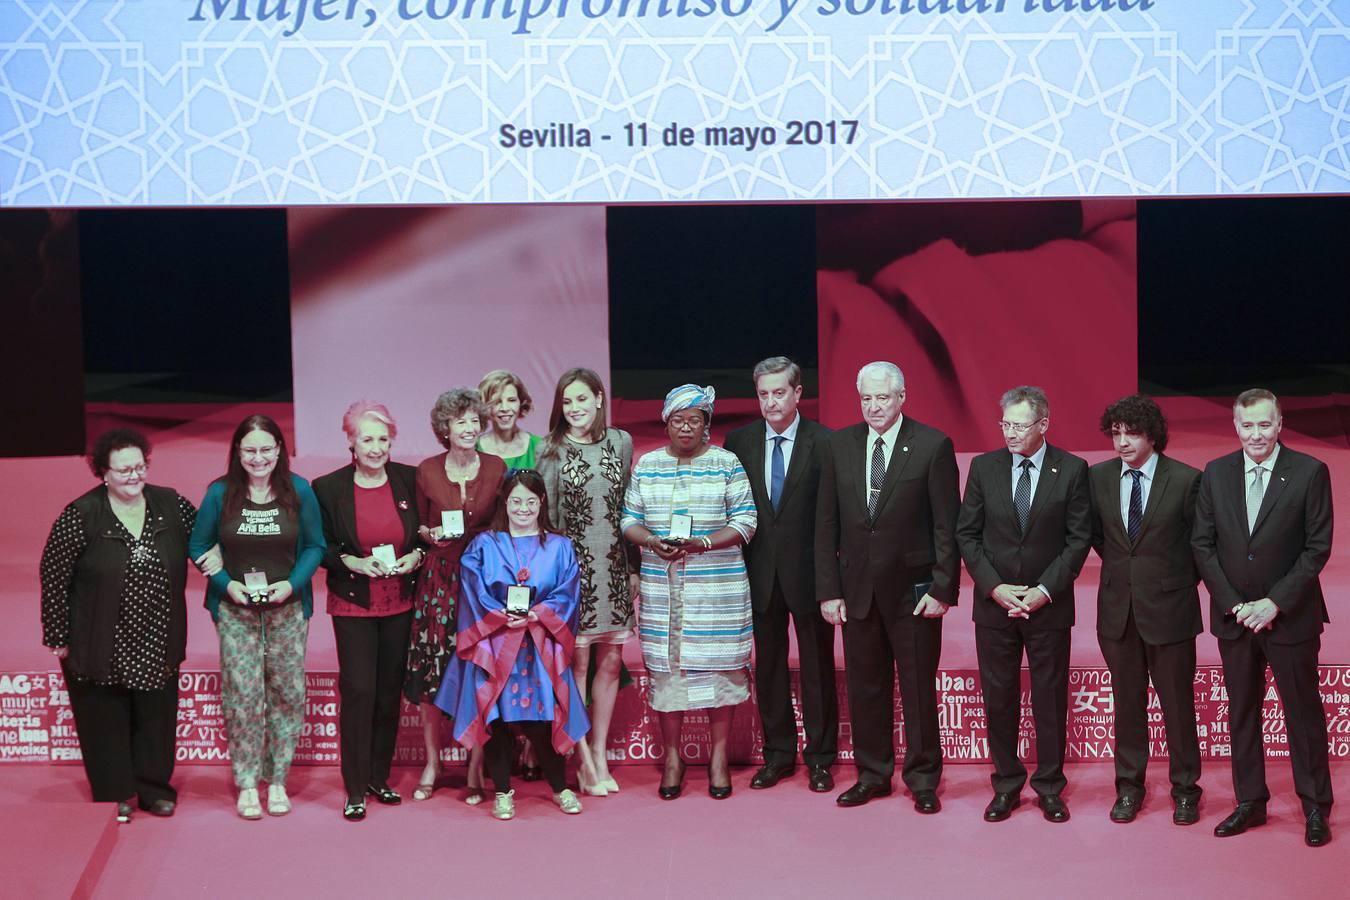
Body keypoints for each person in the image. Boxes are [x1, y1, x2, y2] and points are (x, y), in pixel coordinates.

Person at [39, 428, 214, 823]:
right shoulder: (81, 514)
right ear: (103, 473)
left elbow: (204, 541)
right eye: (123, 470)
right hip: (98, 635)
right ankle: (114, 793)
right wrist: (56, 633)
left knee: (156, 715)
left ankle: (154, 790)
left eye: (139, 467)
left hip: (157, 631)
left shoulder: (171, 504)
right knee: (104, 717)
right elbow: (54, 575)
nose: (133, 476)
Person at [1192, 389, 1334, 847]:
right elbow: (1202, 545)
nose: (1256, 434)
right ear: (1236, 426)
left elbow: (1317, 548)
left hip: (1290, 617)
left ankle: (1315, 806)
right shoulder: (1215, 473)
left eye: (1264, 425)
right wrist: (1235, 603)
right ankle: (1250, 801)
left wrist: (1274, 602)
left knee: (1303, 714)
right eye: (1248, 425)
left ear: (1279, 424)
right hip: (1235, 619)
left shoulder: (1311, 472)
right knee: (1242, 713)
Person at [816, 361, 959, 813]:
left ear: (902, 397)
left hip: (914, 593)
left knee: (918, 689)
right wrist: (829, 590)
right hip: (856, 589)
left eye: (883, 397)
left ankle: (922, 779)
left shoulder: (932, 445)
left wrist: (943, 588)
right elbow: (826, 524)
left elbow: (946, 526)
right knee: (866, 688)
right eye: (866, 399)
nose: (874, 407)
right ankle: (873, 775)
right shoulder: (839, 445)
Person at [957, 386, 1090, 825]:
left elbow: (1077, 540)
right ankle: (1006, 785)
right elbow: (967, 535)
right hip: (994, 605)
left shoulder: (1071, 469)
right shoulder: (984, 466)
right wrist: (995, 587)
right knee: (1000, 698)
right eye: (1006, 425)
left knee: (1049, 699)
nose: (1011, 434)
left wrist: (1043, 590)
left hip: (1048, 605)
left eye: (1020, 426)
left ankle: (1050, 787)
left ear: (1043, 425)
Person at [621, 384, 756, 800]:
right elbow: (629, 519)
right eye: (678, 420)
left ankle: (718, 758)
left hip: (718, 590)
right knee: (669, 675)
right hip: (665, 591)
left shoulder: (726, 463)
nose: (685, 427)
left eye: (693, 421)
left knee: (719, 673)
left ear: (706, 425)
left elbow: (747, 521)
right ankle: (674, 757)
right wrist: (650, 541)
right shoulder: (648, 465)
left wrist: (704, 543)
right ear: (666, 423)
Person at [188, 414, 325, 820]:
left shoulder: (299, 491)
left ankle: (277, 778)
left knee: (286, 694)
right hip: (235, 611)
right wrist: (228, 584)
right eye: (250, 450)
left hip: (287, 609)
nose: (259, 457)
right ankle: (247, 782)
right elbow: (198, 545)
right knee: (243, 695)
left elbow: (316, 546)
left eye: (267, 449)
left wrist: (292, 585)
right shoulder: (219, 493)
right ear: (237, 452)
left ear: (280, 450)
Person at [434, 471, 591, 820]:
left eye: (531, 501)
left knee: (543, 719)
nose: (523, 508)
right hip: (496, 646)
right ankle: (503, 791)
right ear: (505, 503)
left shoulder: (560, 547)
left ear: (542, 503)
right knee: (498, 719)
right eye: (516, 501)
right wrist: (502, 615)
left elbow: (568, 594)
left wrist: (537, 614)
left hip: (538, 648)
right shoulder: (484, 545)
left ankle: (560, 787)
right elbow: (473, 591)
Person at [1088, 395, 1203, 826]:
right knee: (1127, 705)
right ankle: (1129, 788)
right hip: (1118, 612)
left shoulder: (1187, 479)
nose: (1122, 442)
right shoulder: (1097, 478)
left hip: (1171, 611)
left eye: (1131, 433)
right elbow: (1101, 538)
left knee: (1178, 706)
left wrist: (1169, 583)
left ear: (1152, 435)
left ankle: (1186, 790)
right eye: (1115, 433)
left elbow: (1199, 545)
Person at [724, 357, 837, 793]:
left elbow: (831, 518)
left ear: (797, 394)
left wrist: (832, 583)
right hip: (758, 575)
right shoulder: (739, 441)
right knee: (768, 668)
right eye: (763, 393)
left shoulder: (825, 442)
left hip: (810, 577)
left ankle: (821, 758)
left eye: (778, 392)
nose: (770, 402)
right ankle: (778, 755)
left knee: (817, 670)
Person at [313, 401, 425, 821]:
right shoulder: (327, 488)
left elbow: (426, 533)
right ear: (351, 442)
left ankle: (379, 777)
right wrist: (352, 563)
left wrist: (416, 554)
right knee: (359, 691)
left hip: (400, 600)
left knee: (386, 694)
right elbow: (318, 545)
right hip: (354, 602)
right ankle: (355, 787)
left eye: (383, 439)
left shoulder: (410, 480)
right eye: (367, 439)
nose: (376, 447)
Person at [537, 367, 638, 796]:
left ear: (599, 398)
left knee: (611, 661)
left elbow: (630, 508)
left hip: (615, 567)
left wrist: (633, 568)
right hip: (574, 572)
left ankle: (600, 748)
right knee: (578, 663)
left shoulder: (621, 441)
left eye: (582, 399)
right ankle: (584, 758)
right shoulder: (552, 449)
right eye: (567, 401)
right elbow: (549, 519)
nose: (575, 408)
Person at [407, 388, 506, 802]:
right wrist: (429, 534)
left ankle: (476, 763)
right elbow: (420, 525)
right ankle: (432, 761)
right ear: (444, 429)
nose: (468, 428)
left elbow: (502, 527)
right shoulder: (427, 470)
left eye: (473, 421)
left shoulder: (497, 467)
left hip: (480, 583)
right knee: (432, 674)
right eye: (458, 421)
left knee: (477, 670)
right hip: (438, 583)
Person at [477, 369, 541, 470]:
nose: (505, 408)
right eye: (497, 402)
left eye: (511, 400)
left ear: (521, 403)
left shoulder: (539, 446)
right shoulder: (474, 449)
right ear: (485, 406)